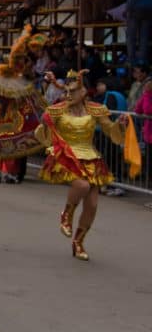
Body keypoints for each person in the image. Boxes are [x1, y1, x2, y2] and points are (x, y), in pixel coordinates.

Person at [37, 70, 129, 261]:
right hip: (68, 156)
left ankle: (78, 242)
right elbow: (42, 133)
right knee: (82, 185)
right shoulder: (58, 110)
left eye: (74, 91)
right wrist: (46, 124)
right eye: (67, 91)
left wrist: (120, 124)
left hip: (91, 157)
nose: (69, 95)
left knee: (93, 204)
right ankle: (66, 215)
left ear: (84, 91)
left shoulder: (95, 109)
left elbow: (110, 130)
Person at [0, 27, 47, 184]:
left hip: (12, 117)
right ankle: (1, 172)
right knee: (1, 146)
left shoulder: (18, 84)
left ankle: (10, 173)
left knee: (13, 148)